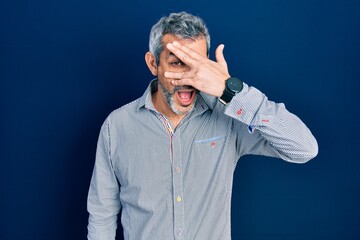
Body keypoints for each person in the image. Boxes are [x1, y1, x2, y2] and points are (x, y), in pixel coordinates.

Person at [87, 11, 318, 240]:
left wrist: (231, 91)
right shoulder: (117, 126)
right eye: (177, 63)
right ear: (153, 63)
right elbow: (102, 213)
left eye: (197, 65)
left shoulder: (228, 118)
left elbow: (304, 148)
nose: (189, 77)